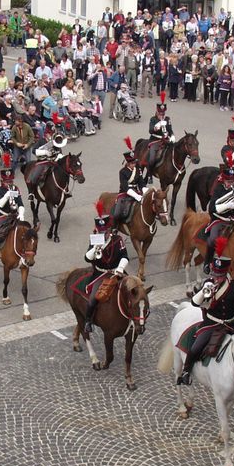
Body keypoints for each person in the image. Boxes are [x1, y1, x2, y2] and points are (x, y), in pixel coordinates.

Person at [178, 237, 234, 386]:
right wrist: (204, 291)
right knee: (196, 347)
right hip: (211, 324)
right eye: (216, 274)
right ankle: (186, 372)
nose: (217, 278)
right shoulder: (208, 284)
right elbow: (194, 303)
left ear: (226, 273)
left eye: (220, 275)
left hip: (230, 324)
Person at [82, 202, 129, 335]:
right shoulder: (94, 241)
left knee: (133, 288)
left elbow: (125, 256)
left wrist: (120, 268)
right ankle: (88, 321)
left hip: (116, 271)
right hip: (100, 274)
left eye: (106, 231)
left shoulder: (118, 240)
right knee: (92, 299)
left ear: (110, 230)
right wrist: (96, 247)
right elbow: (87, 258)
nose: (104, 234)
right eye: (101, 232)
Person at [203, 158, 234, 273]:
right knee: (212, 240)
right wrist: (228, 205)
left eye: (232, 181)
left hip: (233, 220)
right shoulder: (218, 189)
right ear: (224, 180)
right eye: (229, 181)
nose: (231, 183)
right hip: (219, 220)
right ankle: (207, 263)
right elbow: (212, 208)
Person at [110, 140, 145, 225]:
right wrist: (136, 196)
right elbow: (125, 187)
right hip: (125, 192)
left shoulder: (138, 169)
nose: (134, 164)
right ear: (128, 163)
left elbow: (141, 183)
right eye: (132, 163)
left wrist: (145, 191)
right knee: (117, 212)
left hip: (136, 190)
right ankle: (114, 228)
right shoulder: (122, 172)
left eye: (135, 162)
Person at [143, 94, 174, 176]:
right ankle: (149, 174)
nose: (162, 115)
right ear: (157, 112)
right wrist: (158, 125)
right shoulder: (153, 119)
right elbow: (150, 130)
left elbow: (170, 129)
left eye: (163, 113)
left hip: (166, 140)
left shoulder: (167, 119)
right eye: (160, 113)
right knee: (152, 158)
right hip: (155, 140)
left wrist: (172, 136)